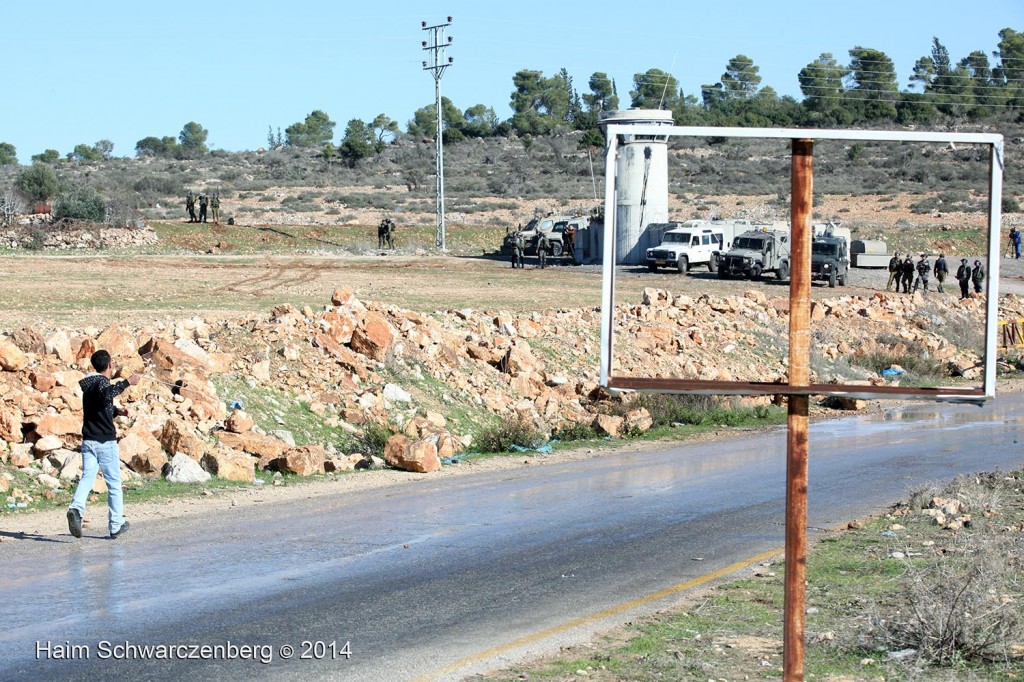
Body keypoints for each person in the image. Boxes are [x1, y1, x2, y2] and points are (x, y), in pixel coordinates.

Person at [66, 350, 140, 540]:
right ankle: (116, 525)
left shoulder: (90, 384)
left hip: (88, 441)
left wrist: (117, 411)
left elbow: (100, 406)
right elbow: (107, 394)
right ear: (109, 365)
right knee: (114, 483)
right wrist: (127, 382)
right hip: (104, 442)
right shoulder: (101, 383)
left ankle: (76, 508)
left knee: (87, 478)